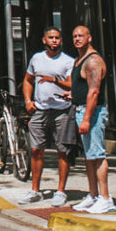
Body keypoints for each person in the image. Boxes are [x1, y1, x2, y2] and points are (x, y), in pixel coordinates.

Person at [18, 27, 78, 206]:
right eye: (51, 38)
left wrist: (54, 80)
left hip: (62, 110)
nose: (54, 41)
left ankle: (60, 191)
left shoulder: (68, 61)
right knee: (36, 149)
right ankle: (35, 190)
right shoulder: (37, 58)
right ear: (44, 40)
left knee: (63, 151)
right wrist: (28, 101)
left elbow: (71, 83)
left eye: (57, 38)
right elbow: (28, 80)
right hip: (40, 109)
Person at [70, 25, 115, 214]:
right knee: (89, 156)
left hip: (93, 112)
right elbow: (82, 87)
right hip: (81, 109)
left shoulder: (93, 61)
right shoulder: (79, 60)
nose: (77, 39)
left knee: (97, 155)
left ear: (90, 38)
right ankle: (93, 194)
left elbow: (94, 91)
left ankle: (105, 198)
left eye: (81, 35)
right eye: (74, 36)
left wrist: (87, 118)